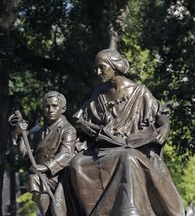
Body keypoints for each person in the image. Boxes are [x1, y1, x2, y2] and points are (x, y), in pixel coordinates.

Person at [68, 49, 185, 215]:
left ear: (114, 66)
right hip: (104, 148)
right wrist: (82, 125)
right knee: (76, 164)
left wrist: (165, 127)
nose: (98, 72)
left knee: (128, 158)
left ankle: (130, 210)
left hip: (134, 147)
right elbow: (81, 117)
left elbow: (161, 116)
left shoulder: (140, 92)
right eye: (96, 68)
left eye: (102, 67)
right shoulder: (99, 94)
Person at [12, 91, 77, 216]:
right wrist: (17, 134)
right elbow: (26, 154)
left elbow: (66, 154)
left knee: (34, 179)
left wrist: (45, 166)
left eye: (54, 106)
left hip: (59, 175)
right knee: (34, 179)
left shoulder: (68, 129)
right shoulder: (40, 133)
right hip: (43, 176)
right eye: (47, 107)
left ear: (62, 108)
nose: (50, 110)